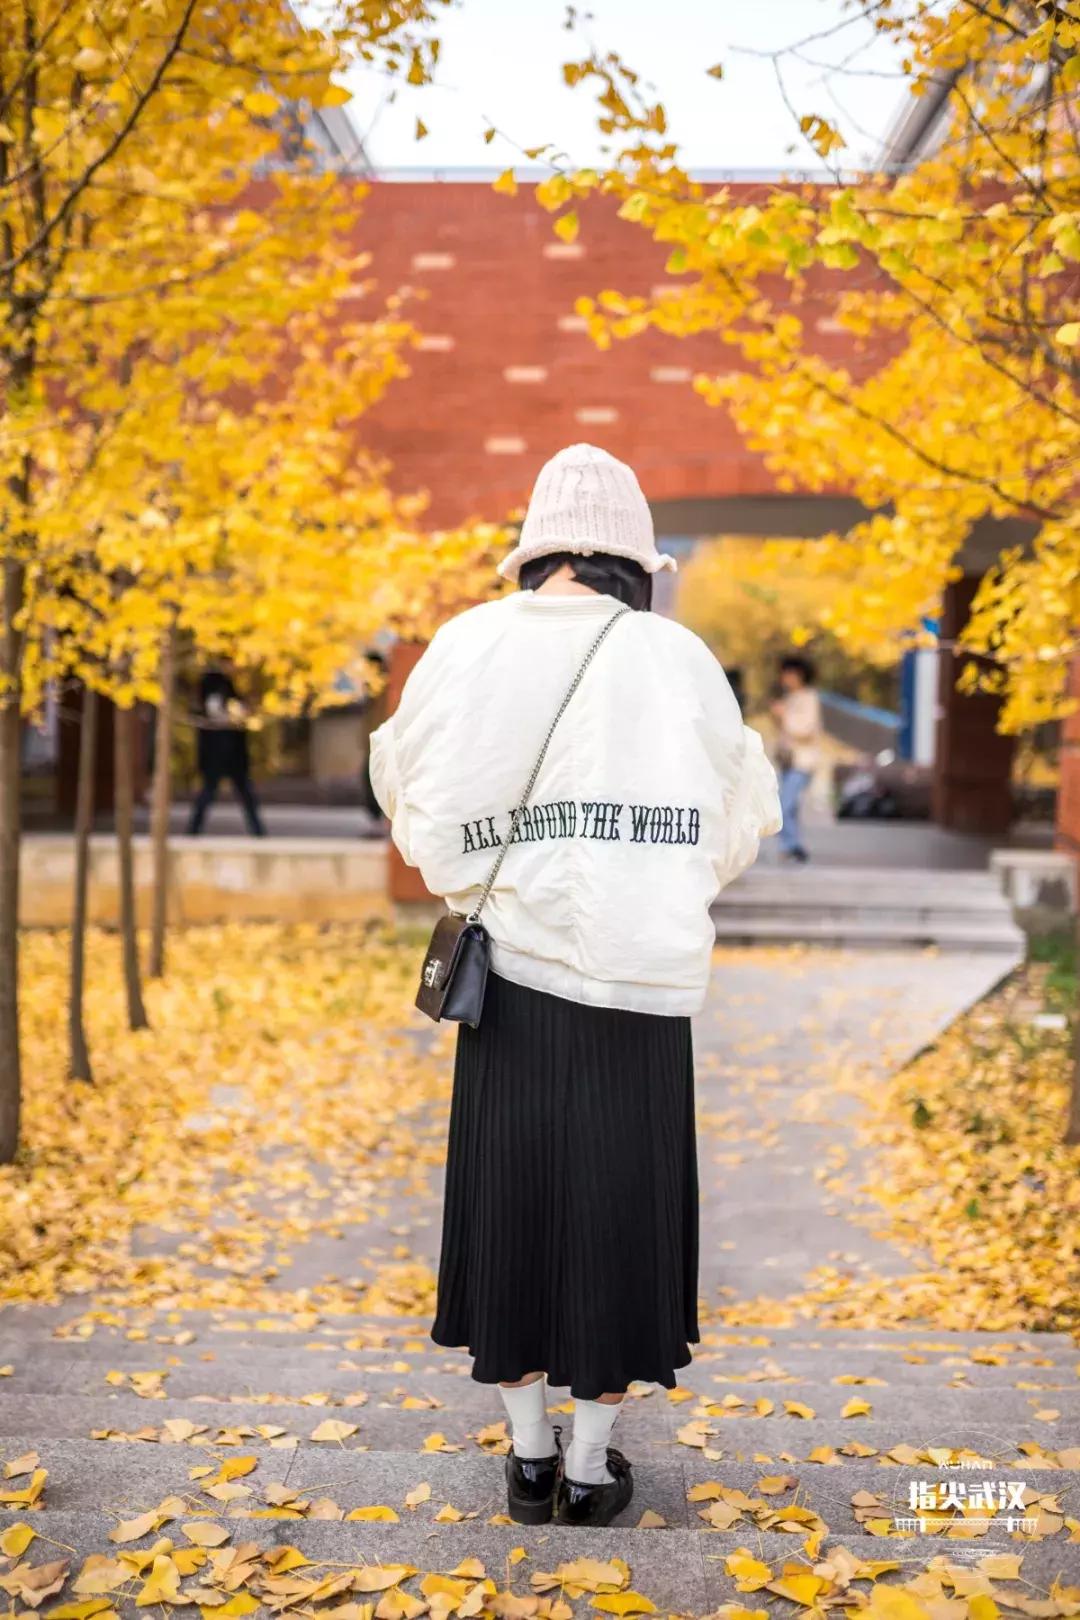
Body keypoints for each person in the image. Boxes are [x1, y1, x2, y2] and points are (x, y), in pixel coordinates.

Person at [369, 444, 781, 1529]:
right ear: (636, 561)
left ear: (535, 549)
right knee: (616, 1219)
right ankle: (594, 1470)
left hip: (508, 985)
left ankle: (527, 1459)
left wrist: (492, 870)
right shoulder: (674, 656)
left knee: (509, 1210)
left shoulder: (462, 647)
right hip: (638, 992)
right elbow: (740, 816)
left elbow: (405, 790)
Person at [187, 663, 266, 837]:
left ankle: (258, 830)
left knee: (238, 792)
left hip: (225, 752)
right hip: (222, 752)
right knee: (216, 791)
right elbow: (223, 714)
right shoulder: (216, 687)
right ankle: (257, 830)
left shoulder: (220, 686)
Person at [770, 654, 822, 864]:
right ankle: (791, 845)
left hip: (803, 761)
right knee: (789, 805)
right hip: (788, 760)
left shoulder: (809, 698)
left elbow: (805, 729)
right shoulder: (790, 698)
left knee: (786, 804)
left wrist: (784, 716)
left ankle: (792, 846)